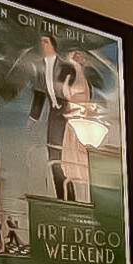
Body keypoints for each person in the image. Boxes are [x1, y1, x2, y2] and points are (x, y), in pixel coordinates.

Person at [27, 35, 74, 198]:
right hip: (54, 114)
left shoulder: (66, 66)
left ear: (53, 44)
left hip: (68, 112)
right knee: (53, 156)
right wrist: (33, 118)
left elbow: (73, 90)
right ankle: (61, 196)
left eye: (45, 41)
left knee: (66, 156)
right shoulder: (39, 67)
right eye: (40, 41)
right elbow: (39, 95)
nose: (42, 44)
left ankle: (71, 197)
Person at [59, 49, 95, 203]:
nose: (80, 58)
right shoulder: (71, 76)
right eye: (76, 56)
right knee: (74, 147)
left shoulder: (82, 77)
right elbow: (67, 94)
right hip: (75, 117)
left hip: (82, 118)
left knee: (80, 147)